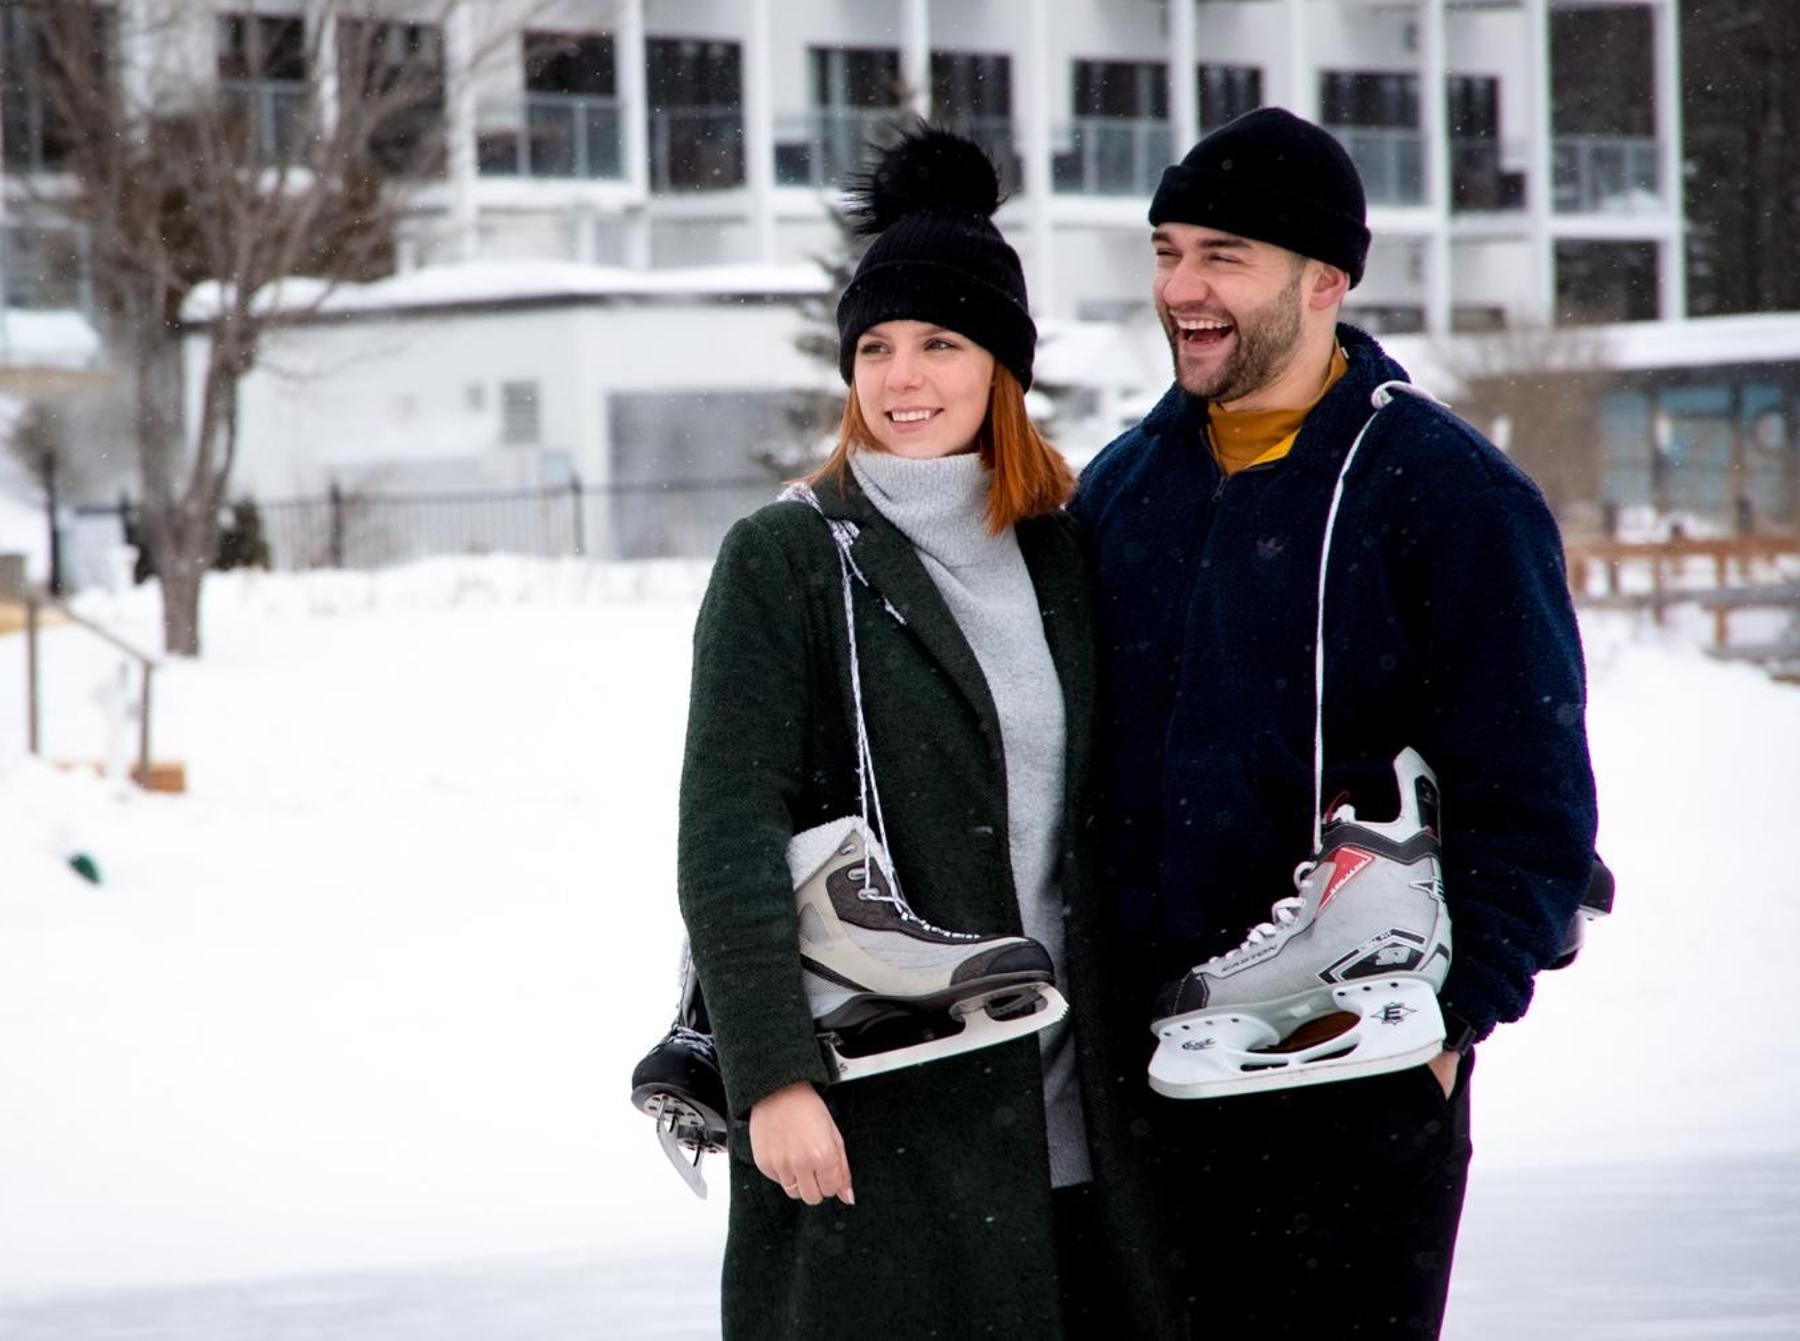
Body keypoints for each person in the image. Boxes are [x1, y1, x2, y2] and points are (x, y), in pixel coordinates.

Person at [1070, 107, 1599, 1337]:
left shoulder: (1447, 493)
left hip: (1352, 1079)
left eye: (1220, 257)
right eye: (1165, 251)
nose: (1180, 289)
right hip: (1145, 1084)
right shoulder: (1118, 495)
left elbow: (1530, 796)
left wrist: (1452, 1020)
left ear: (1323, 281)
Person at [676, 126, 1171, 1339]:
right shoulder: (786, 559)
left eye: (940, 344)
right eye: (876, 347)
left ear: (1000, 365)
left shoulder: (1065, 552)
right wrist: (771, 1080)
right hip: (877, 1110)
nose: (902, 378)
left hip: (1076, 1123)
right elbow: (725, 838)